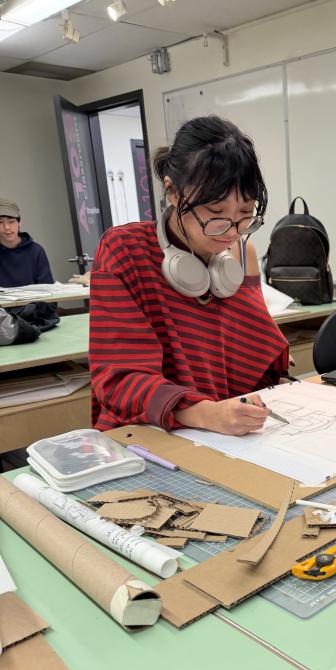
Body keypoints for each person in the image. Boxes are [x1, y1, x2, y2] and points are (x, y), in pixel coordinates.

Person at [89, 115, 289, 435]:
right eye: (215, 214)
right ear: (173, 192)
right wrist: (206, 414)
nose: (230, 233)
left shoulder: (240, 254)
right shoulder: (124, 250)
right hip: (148, 434)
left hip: (228, 431)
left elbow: (255, 353)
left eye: (245, 216)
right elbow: (119, 379)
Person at [0, 198, 54, 288]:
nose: (7, 227)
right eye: (0, 222)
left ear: (19, 223)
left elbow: (49, 291)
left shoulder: (36, 251)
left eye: (11, 222)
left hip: (34, 302)